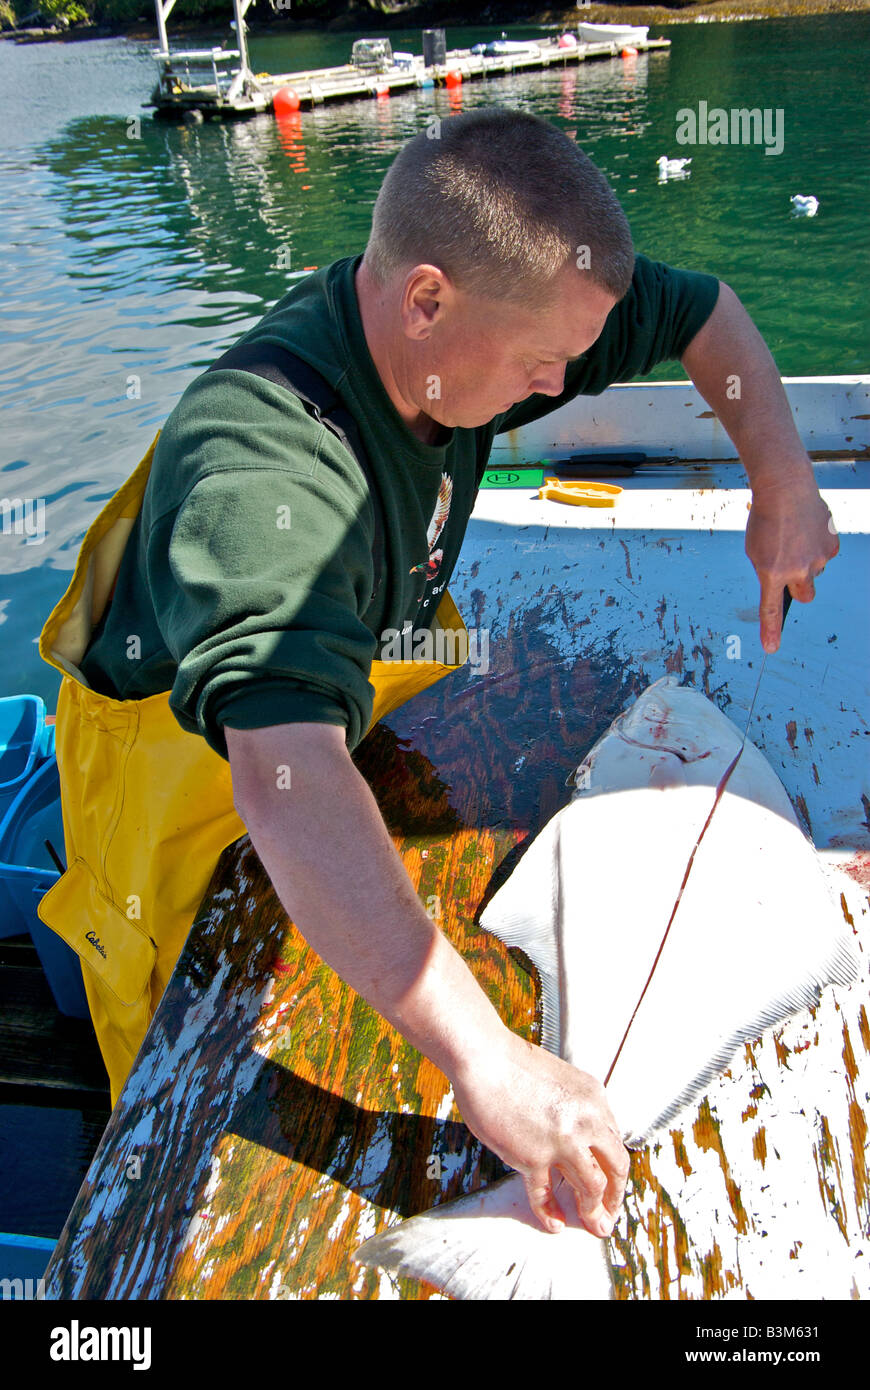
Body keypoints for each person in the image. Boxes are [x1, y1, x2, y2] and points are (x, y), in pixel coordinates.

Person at [37, 107, 837, 1244]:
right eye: (538, 365)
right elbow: (285, 786)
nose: (565, 381)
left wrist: (783, 482)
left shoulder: (498, 314)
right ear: (426, 299)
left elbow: (706, 312)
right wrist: (486, 1060)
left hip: (351, 679)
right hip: (193, 778)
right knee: (191, 1066)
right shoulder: (263, 469)